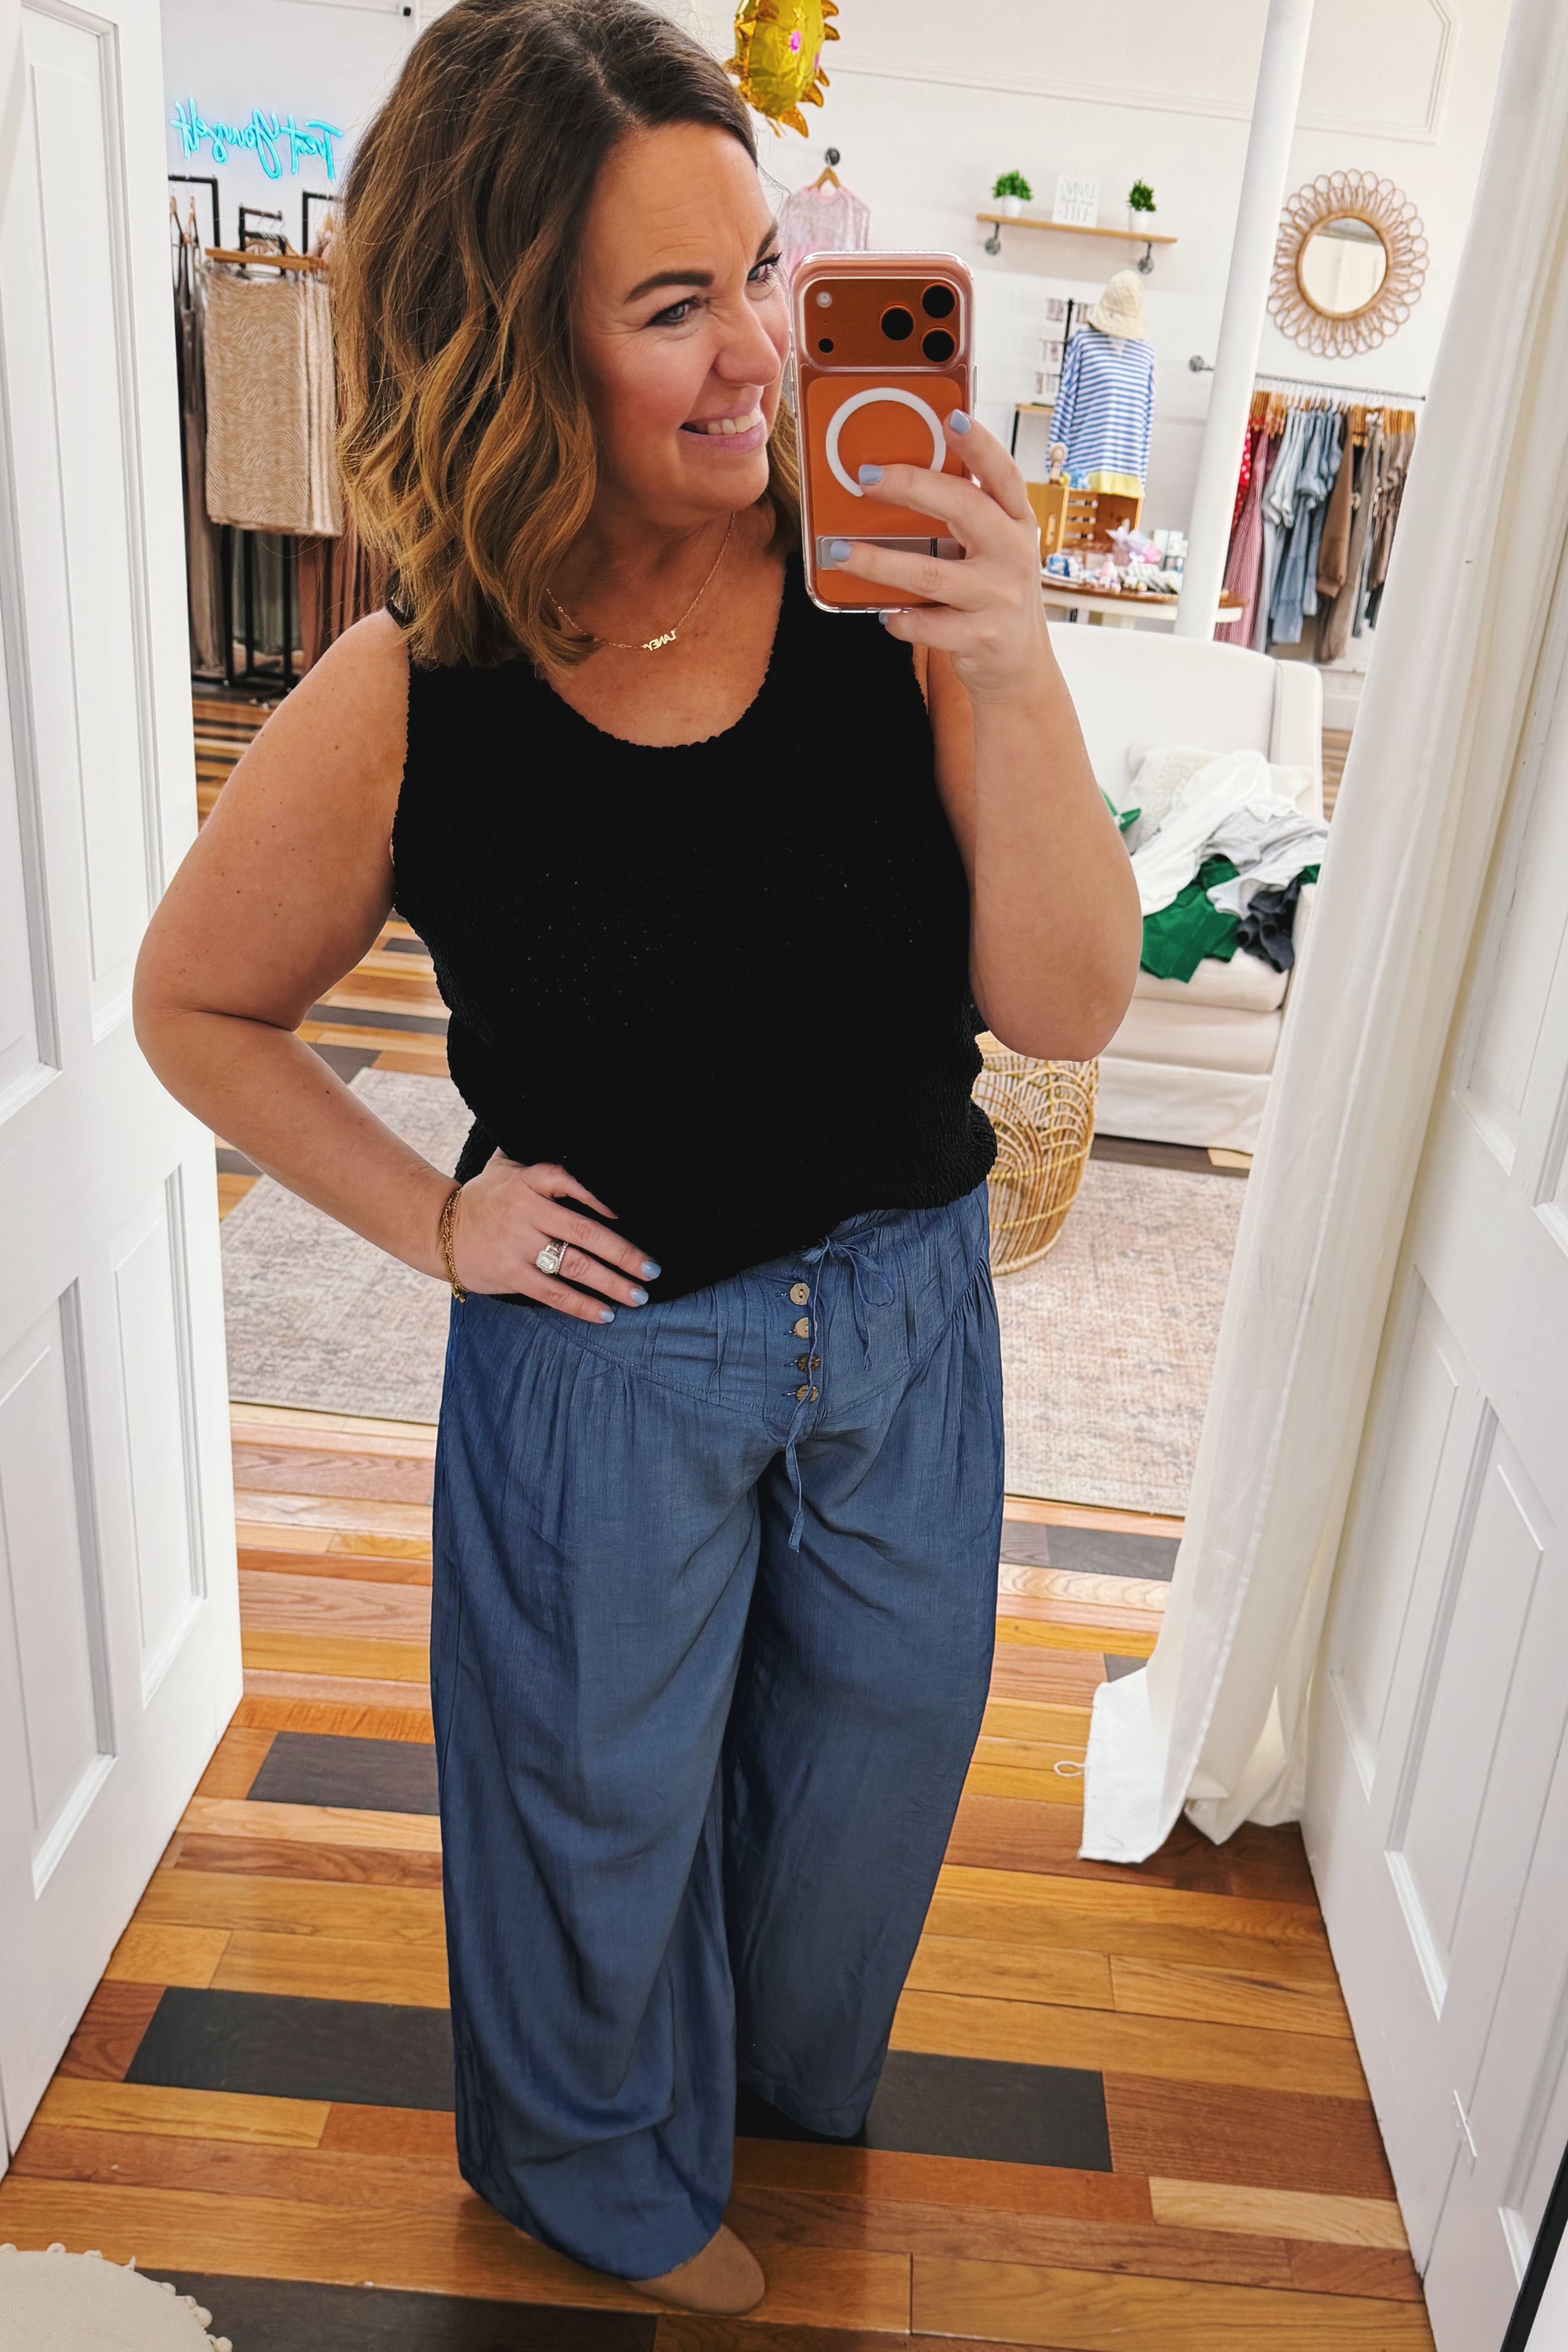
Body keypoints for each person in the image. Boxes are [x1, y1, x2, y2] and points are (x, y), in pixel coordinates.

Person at [133, 0, 1139, 2314]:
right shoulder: (413, 694)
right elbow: (195, 1006)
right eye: (675, 306)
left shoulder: (893, 603)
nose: (762, 356)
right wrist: (435, 1218)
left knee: (872, 1779)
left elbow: (1071, 1006)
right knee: (590, 1809)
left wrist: (1015, 663)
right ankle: (597, 2177)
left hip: (906, 1315)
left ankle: (775, 2092)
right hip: (607, 1359)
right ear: (514, 344)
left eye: (763, 272)